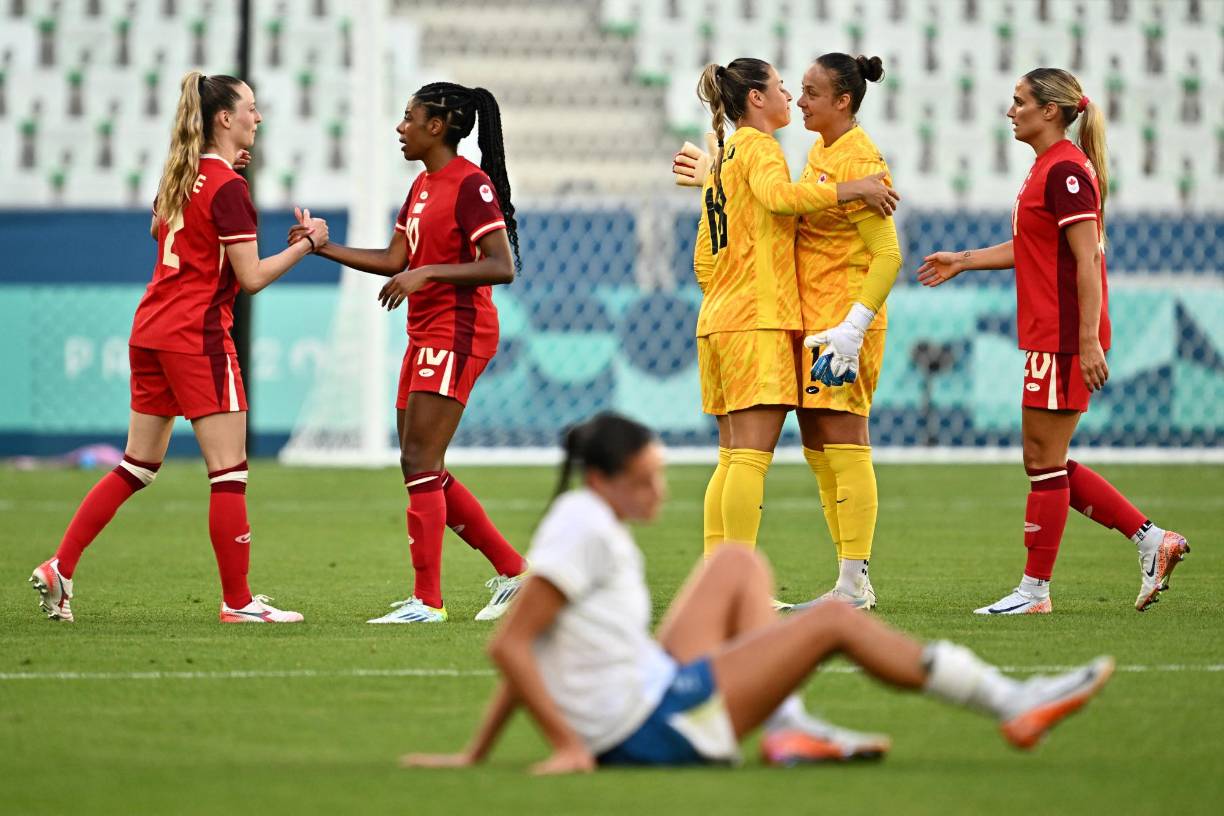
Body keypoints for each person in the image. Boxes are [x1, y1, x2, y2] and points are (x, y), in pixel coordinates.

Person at [401, 412, 1114, 773]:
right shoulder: (583, 527)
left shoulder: (586, 518)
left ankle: (786, 728)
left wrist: (475, 756)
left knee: (735, 563)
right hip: (656, 730)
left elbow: (531, 639)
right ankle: (1012, 703)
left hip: (653, 694)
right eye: (645, 479)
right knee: (834, 620)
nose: (659, 490)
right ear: (602, 480)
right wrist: (569, 747)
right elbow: (511, 645)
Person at [29, 72, 327, 623]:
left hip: (150, 331)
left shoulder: (180, 176)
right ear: (224, 119)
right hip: (198, 338)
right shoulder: (229, 188)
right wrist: (309, 244)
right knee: (229, 472)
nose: (257, 118)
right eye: (251, 109)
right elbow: (252, 276)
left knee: (137, 465)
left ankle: (60, 567)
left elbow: (159, 236)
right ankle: (237, 603)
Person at [915, 68, 1189, 614]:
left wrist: (1087, 340)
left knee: (1043, 460)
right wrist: (963, 261)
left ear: (1051, 111)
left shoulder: (1065, 171)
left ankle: (1035, 590)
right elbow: (1033, 247)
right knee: (1048, 458)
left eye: (1019, 102)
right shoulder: (1049, 168)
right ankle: (1153, 542)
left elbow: (1088, 257)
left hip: (1064, 335)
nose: (1010, 111)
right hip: (1051, 333)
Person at [288, 83, 527, 624]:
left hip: (458, 332)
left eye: (409, 117)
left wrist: (428, 271)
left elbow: (500, 266)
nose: (401, 128)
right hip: (425, 332)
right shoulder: (421, 185)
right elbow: (396, 256)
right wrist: (321, 248)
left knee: (420, 461)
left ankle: (428, 602)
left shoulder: (471, 185)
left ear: (437, 125)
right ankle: (514, 573)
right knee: (422, 464)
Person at [685, 58, 898, 569]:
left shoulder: (726, 154)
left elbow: (702, 261)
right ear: (756, 98)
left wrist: (728, 292)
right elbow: (781, 200)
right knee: (751, 461)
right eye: (784, 88)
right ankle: (735, 588)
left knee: (733, 457)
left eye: (803, 91)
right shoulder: (762, 148)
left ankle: (721, 582)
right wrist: (852, 189)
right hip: (758, 319)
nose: (792, 99)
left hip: (720, 319)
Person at [791, 54, 904, 610]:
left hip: (843, 321)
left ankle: (853, 580)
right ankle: (850, 579)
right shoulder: (823, 150)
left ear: (843, 102)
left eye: (811, 92)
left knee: (844, 438)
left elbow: (888, 254)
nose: (799, 100)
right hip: (818, 318)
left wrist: (855, 327)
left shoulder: (860, 156)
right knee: (817, 443)